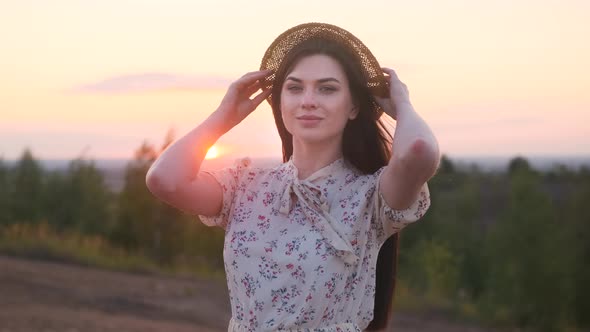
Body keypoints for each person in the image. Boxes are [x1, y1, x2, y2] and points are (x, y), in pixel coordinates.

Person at [146, 22, 439, 332]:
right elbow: (165, 180)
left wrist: (403, 104)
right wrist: (223, 116)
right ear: (280, 102)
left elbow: (418, 153)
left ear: (353, 107)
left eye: (327, 88)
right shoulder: (245, 187)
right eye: (295, 87)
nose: (308, 100)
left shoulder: (370, 198)